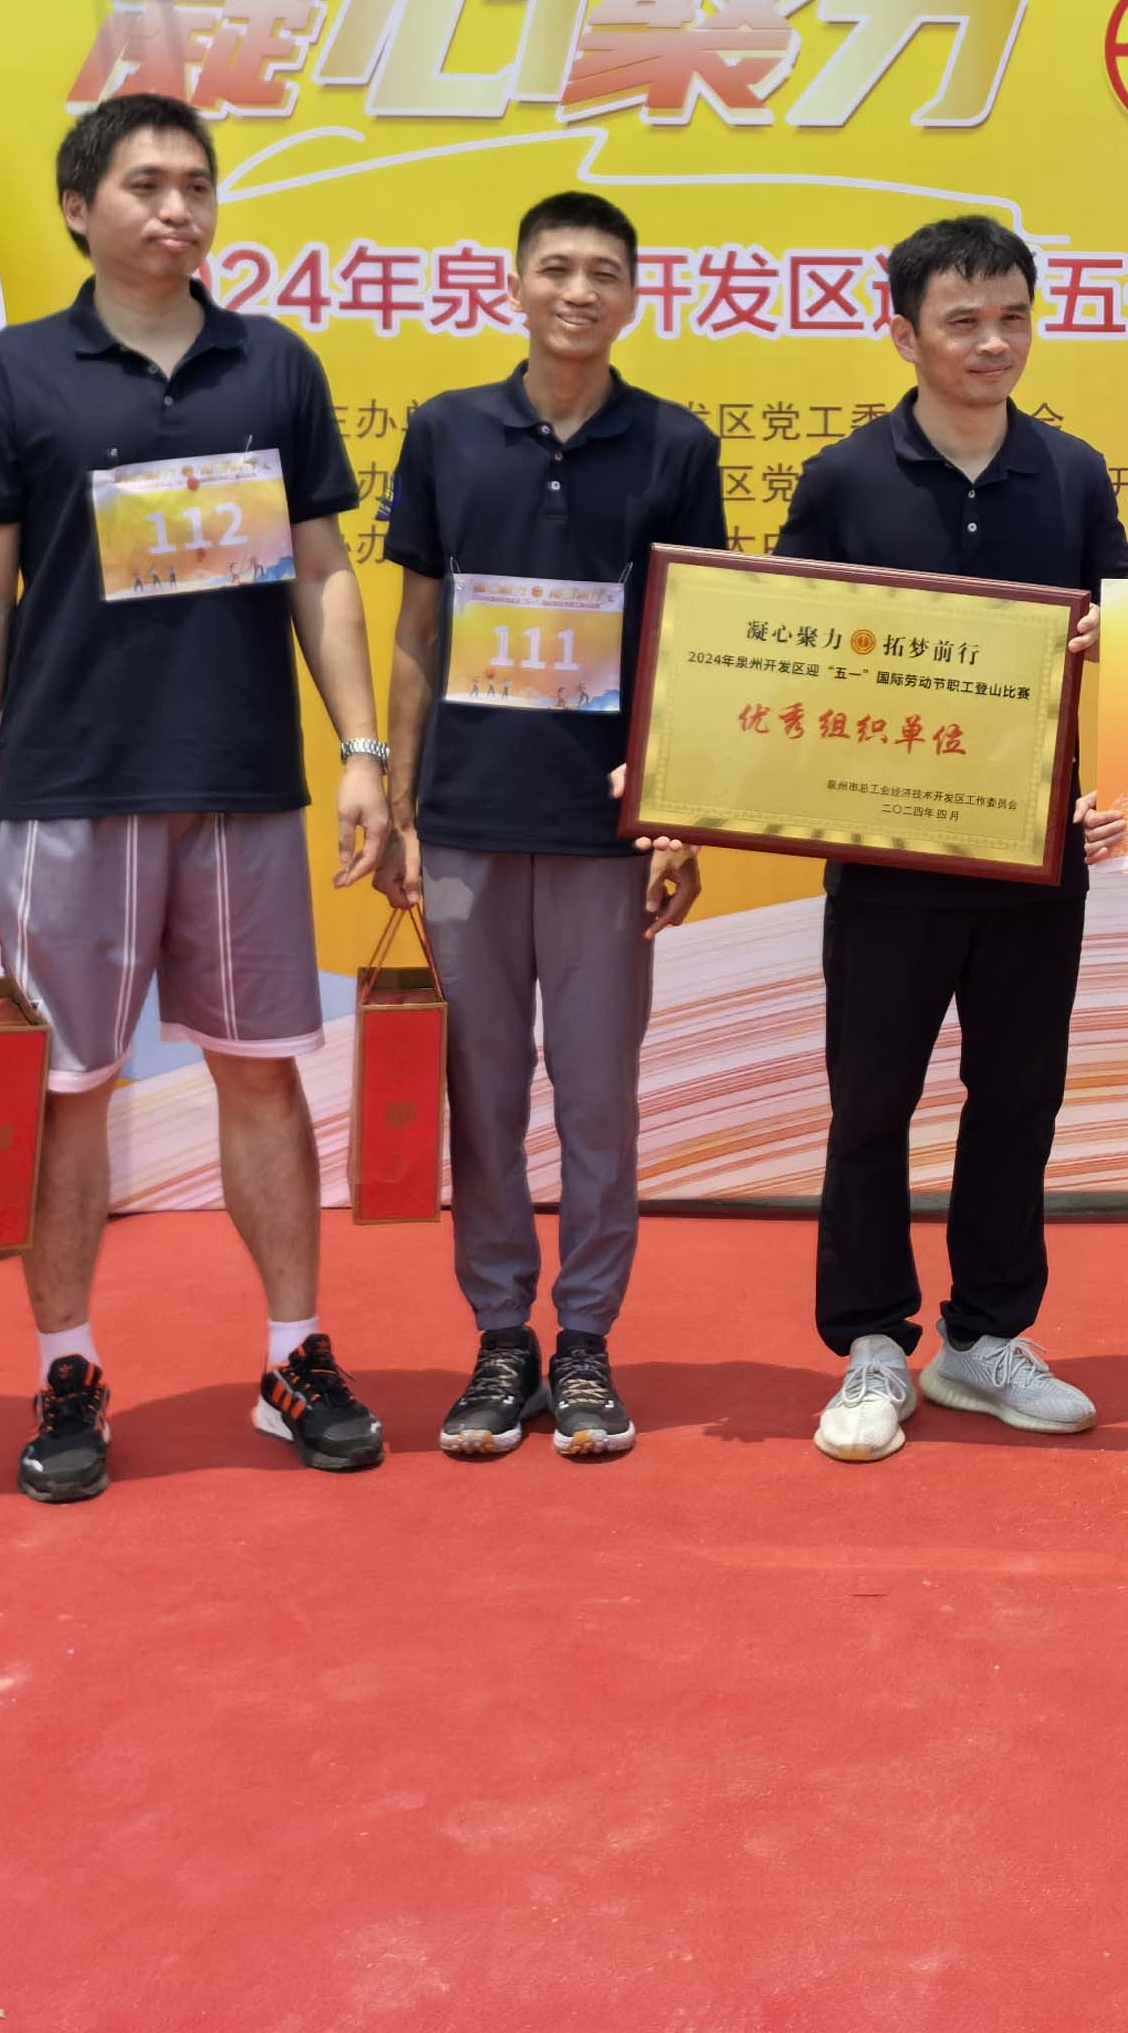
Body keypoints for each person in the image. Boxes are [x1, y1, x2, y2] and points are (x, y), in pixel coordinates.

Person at [0, 93, 394, 1503]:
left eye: (197, 184)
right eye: (145, 185)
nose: (177, 209)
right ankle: (66, 1367)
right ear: (80, 209)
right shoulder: (12, 374)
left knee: (262, 1072)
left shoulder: (275, 365)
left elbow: (323, 571)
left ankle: (294, 1357)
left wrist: (364, 750)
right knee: (69, 1091)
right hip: (67, 789)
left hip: (241, 785)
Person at [774, 215, 1128, 1462]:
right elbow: (775, 640)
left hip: (1034, 857)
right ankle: (873, 1343)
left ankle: (983, 1338)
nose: (993, 343)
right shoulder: (844, 479)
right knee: (870, 1103)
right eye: (963, 321)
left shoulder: (1072, 472)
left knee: (1017, 1098)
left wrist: (1116, 632)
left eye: (1013, 318)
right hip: (885, 858)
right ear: (903, 333)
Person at [382, 191, 725, 1463]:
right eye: (557, 268)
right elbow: (418, 629)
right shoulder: (446, 431)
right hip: (466, 825)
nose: (578, 292)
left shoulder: (675, 446)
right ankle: (498, 1341)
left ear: (633, 294)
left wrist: (678, 814)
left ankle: (583, 1340)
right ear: (515, 283)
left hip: (606, 836)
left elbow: (695, 645)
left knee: (596, 1103)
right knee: (480, 1099)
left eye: (603, 273)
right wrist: (398, 801)